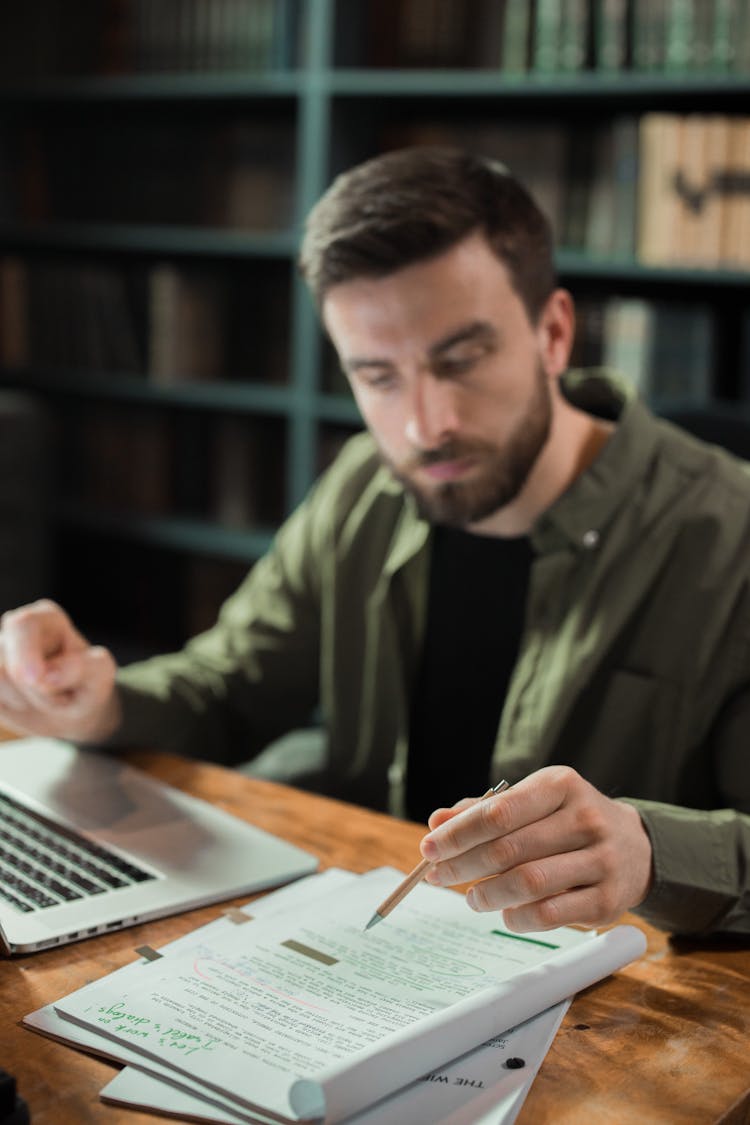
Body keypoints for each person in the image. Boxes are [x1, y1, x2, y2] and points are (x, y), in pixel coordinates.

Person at [1, 146, 749, 938]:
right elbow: (228, 688)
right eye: (377, 377)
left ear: (555, 332)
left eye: (461, 359)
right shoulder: (366, 484)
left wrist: (647, 849)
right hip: (376, 955)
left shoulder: (730, 535)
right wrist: (92, 697)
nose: (425, 426)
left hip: (630, 1012)